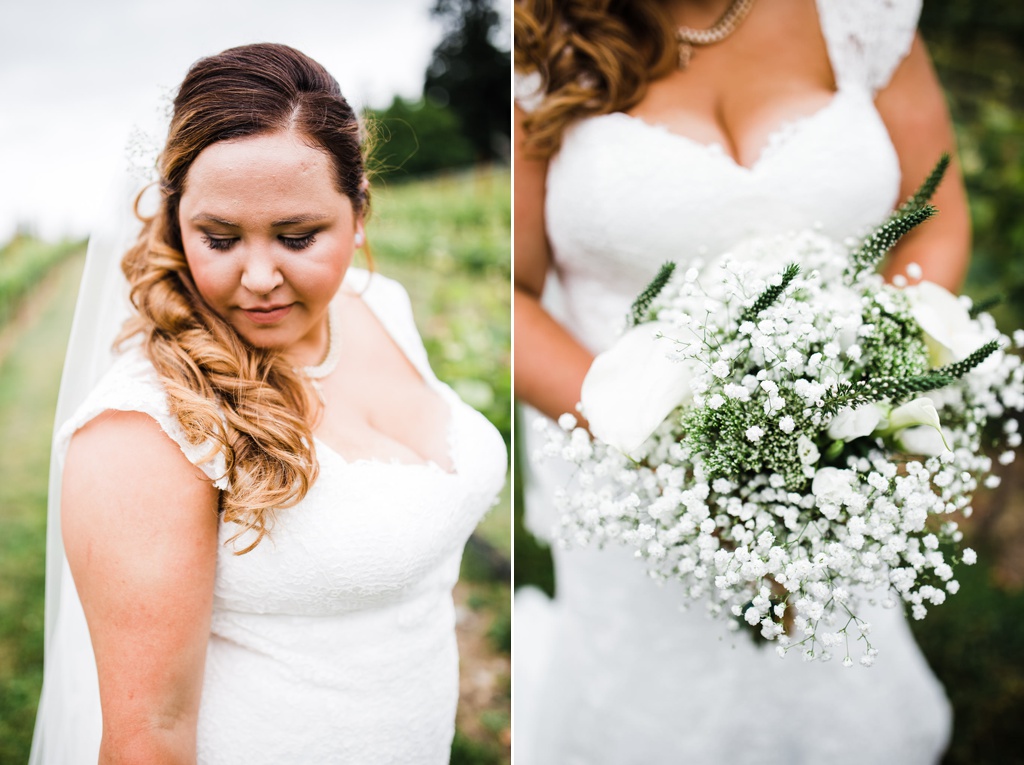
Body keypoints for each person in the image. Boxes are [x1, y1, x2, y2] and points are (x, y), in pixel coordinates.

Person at [513, 0, 970, 762]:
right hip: (631, 479)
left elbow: (933, 215)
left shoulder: (865, 14)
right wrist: (678, 451)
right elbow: (513, 291)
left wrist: (866, 396)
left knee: (832, 688)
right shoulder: (534, 37)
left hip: (836, 459)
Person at [30, 43, 507, 764]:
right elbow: (147, 735)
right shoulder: (142, 429)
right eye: (219, 238)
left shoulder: (382, 306)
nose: (258, 277)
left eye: (297, 235)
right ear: (174, 222)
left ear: (360, 210)